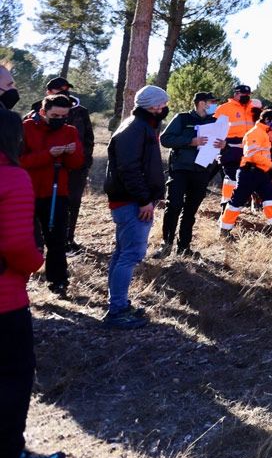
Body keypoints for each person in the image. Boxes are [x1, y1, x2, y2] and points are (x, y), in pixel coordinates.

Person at [1, 109, 66, 458]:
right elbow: (16, 246)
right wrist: (35, 263)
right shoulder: (13, 177)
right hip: (5, 301)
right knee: (12, 377)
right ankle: (10, 454)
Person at [104, 86, 170, 330]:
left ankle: (118, 304)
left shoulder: (141, 125)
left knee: (122, 253)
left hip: (132, 201)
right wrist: (144, 199)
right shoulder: (134, 128)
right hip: (132, 203)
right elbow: (129, 168)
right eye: (163, 105)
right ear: (153, 106)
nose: (165, 109)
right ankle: (117, 311)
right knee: (129, 255)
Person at [20, 95, 85, 297]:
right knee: (26, 240)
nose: (59, 119)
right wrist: (49, 154)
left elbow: (76, 164)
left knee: (56, 240)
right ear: (43, 112)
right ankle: (19, 283)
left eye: (64, 116)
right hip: (26, 193)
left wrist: (71, 153)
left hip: (57, 193)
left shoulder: (70, 131)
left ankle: (58, 282)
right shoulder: (26, 128)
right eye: (54, 115)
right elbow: (19, 161)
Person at [156, 92, 224, 259]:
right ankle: (166, 245)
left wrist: (223, 145)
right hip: (180, 170)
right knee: (174, 206)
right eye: (212, 102)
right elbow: (165, 139)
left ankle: (184, 247)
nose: (214, 105)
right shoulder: (182, 118)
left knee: (190, 211)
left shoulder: (215, 122)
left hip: (201, 172)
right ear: (201, 103)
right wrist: (190, 141)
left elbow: (220, 145)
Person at [37, 78, 95, 256]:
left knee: (73, 203)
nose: (65, 93)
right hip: (46, 168)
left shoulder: (80, 112)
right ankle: (40, 241)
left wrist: (81, 160)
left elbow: (88, 139)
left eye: (67, 90)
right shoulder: (37, 110)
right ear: (49, 92)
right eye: (59, 90)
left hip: (76, 169)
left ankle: (68, 240)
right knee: (42, 204)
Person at [220, 109, 272, 235]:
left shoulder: (263, 133)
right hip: (249, 173)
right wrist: (271, 164)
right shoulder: (254, 133)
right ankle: (225, 229)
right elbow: (253, 155)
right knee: (236, 202)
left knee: (270, 197)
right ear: (266, 120)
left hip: (260, 173)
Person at [214, 85, 256, 205]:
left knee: (245, 178)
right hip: (230, 148)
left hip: (248, 149)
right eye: (243, 94)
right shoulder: (224, 108)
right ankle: (226, 202)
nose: (246, 97)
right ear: (236, 94)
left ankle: (238, 203)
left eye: (248, 95)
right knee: (232, 177)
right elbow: (215, 128)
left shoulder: (253, 109)